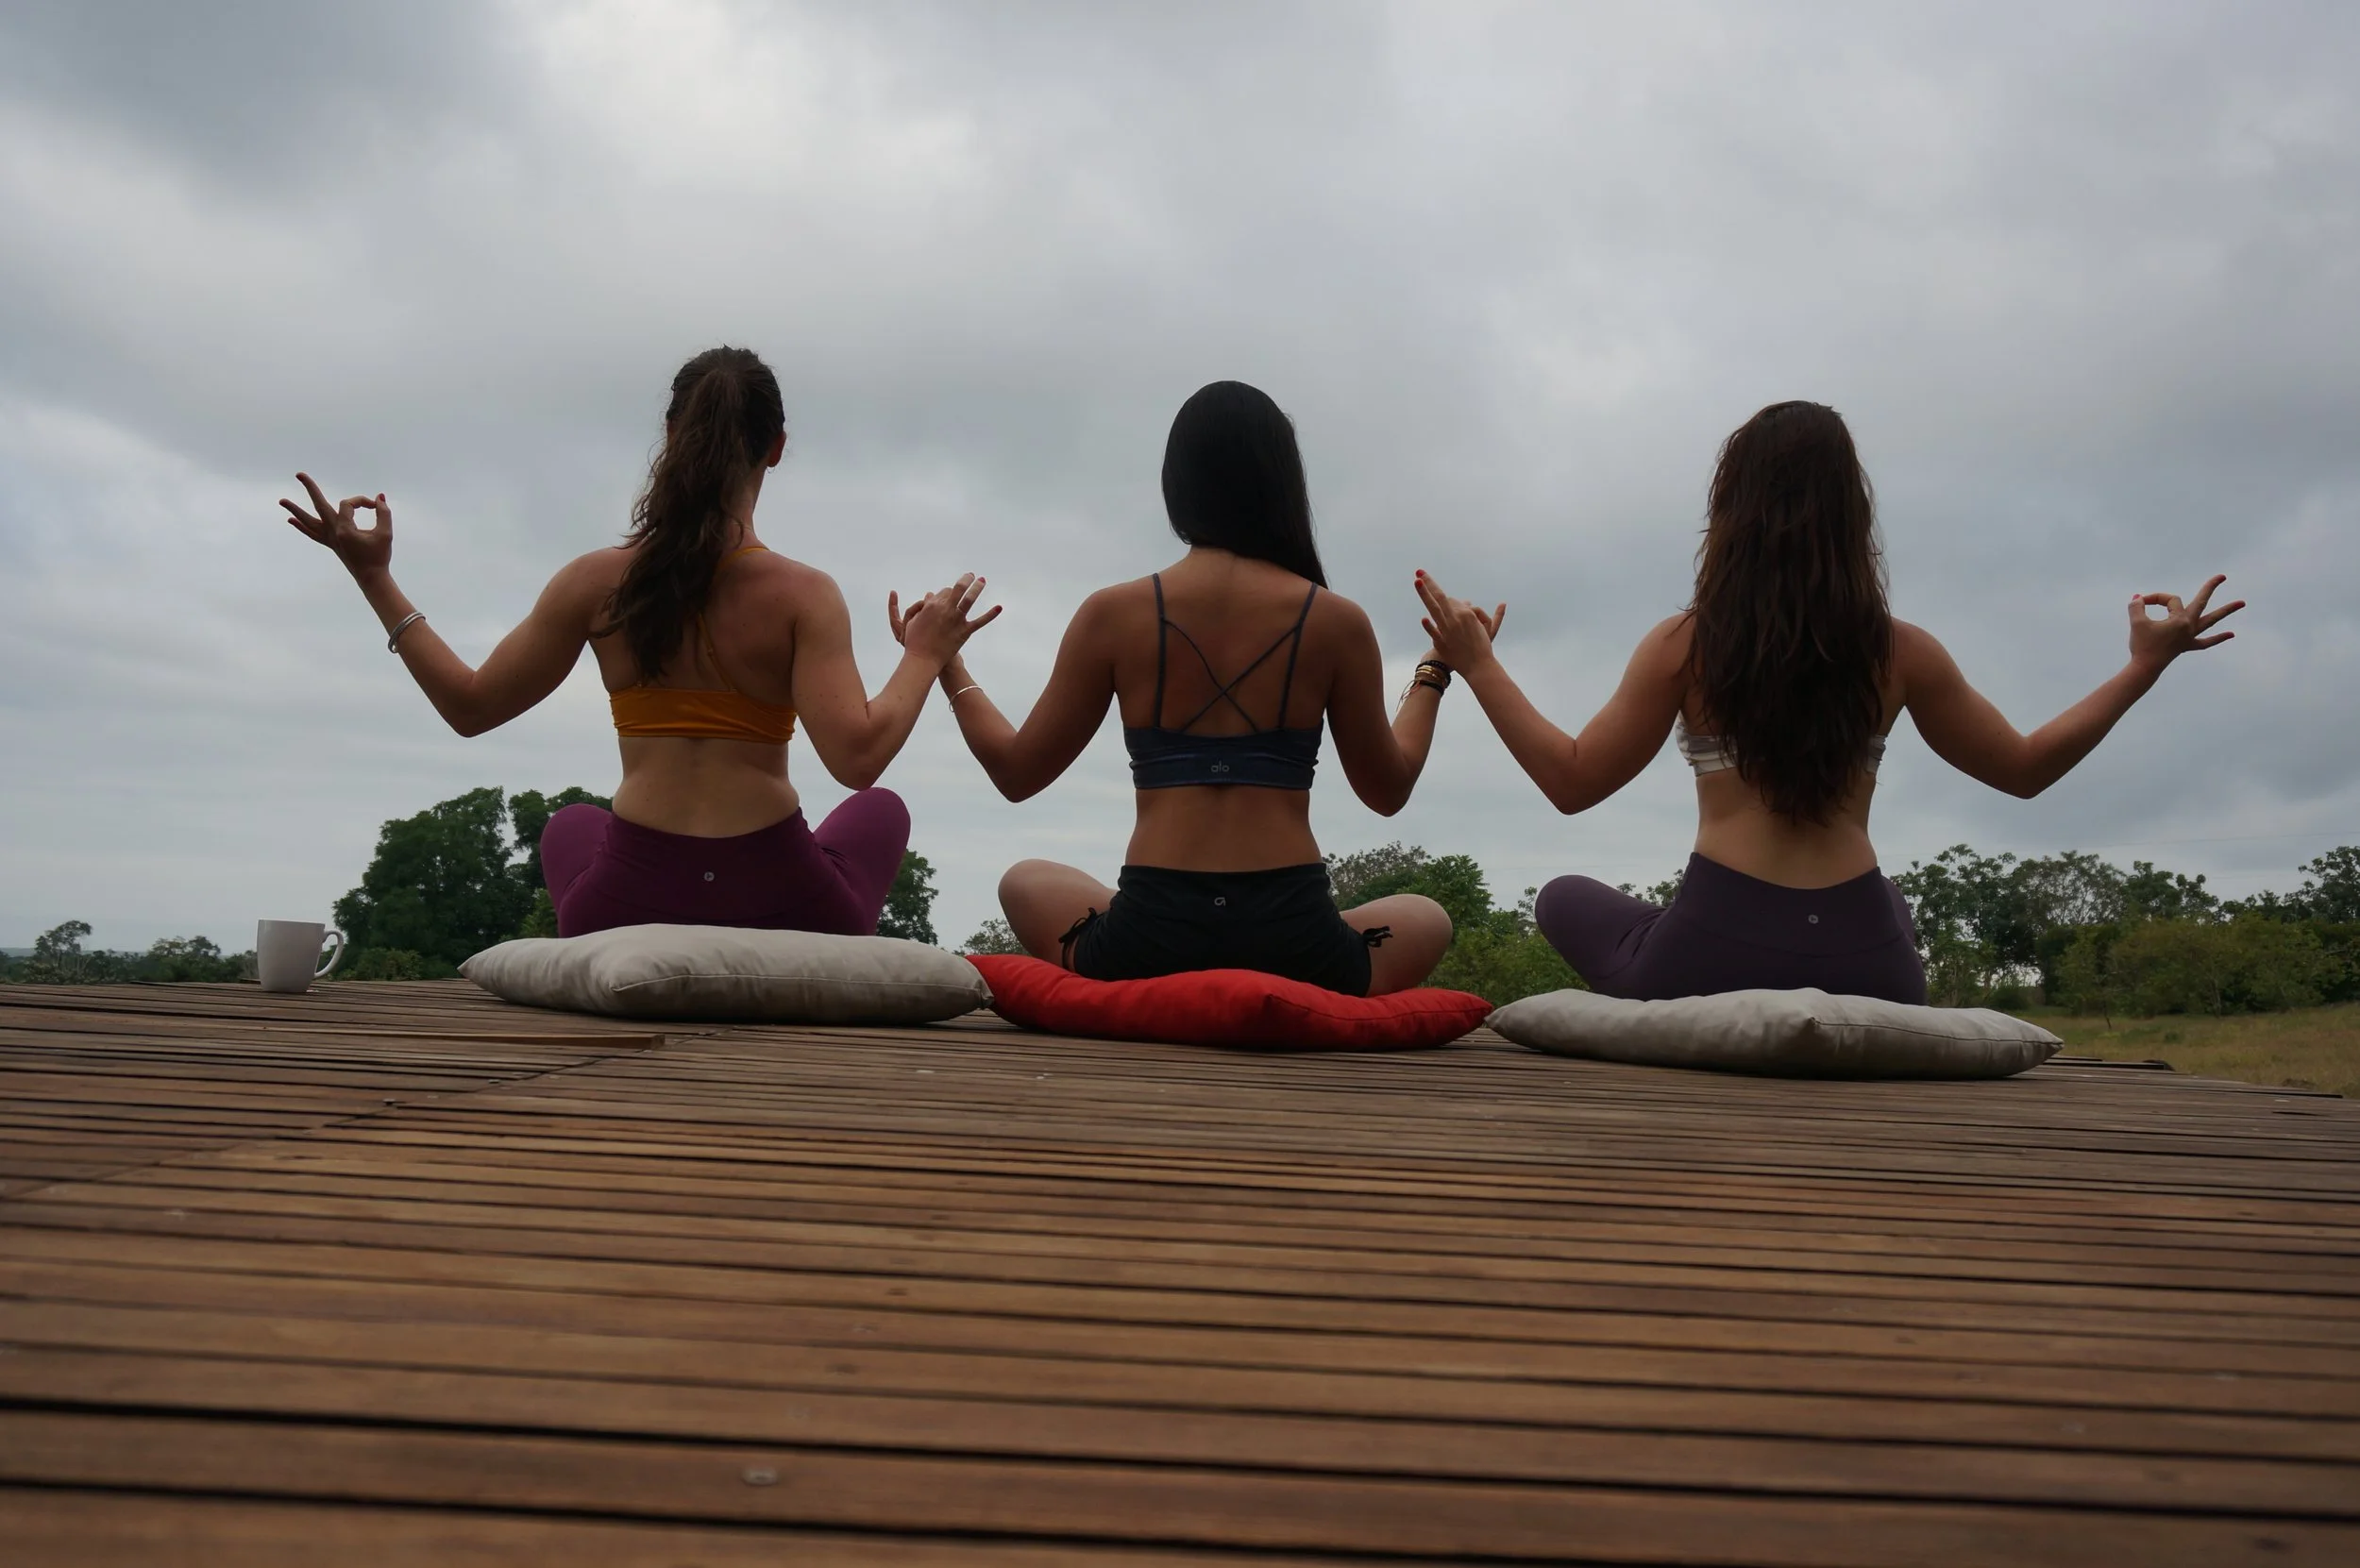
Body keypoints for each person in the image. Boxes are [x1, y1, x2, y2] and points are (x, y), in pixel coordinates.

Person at [1414, 399, 2243, 1004]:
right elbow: (2025, 770)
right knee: (1893, 903)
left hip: (1709, 956)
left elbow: (1572, 782)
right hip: (1871, 966)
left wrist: (1478, 665)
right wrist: (2142, 668)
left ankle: (1692, 930)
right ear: (1853, 515)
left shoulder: (1685, 644)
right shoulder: (1901, 650)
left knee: (1563, 895)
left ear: (1729, 514)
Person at [280, 346, 997, 938]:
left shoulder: (596, 582)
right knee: (882, 812)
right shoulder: (804, 595)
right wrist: (925, 652)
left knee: (572, 825)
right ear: (775, 450)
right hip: (785, 905)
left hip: (624, 908)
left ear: (671, 431)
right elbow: (858, 759)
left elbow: (469, 706)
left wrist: (373, 576)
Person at [922, 381, 1460, 995]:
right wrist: (1433, 672)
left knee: (1024, 880)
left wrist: (948, 666)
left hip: (1150, 936)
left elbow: (1016, 773)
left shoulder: (1112, 614)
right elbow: (1387, 790)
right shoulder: (1336, 621)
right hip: (1292, 937)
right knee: (1428, 917)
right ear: (1283, 484)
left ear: (1177, 484)